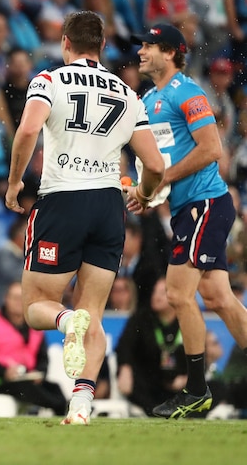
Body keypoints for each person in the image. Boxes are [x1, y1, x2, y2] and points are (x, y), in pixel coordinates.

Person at [4, 10, 165, 425]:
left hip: (63, 201)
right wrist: (144, 196)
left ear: (65, 42)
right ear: (103, 47)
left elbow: (26, 131)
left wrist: (14, 184)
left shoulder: (49, 79)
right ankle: (81, 405)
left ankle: (65, 320)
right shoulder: (129, 94)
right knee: (92, 310)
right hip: (109, 206)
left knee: (38, 305)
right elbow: (156, 165)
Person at [129, 23, 247, 418]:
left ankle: (196, 389)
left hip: (205, 204)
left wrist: (164, 179)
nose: (141, 51)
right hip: (188, 207)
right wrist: (148, 193)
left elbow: (212, 149)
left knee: (178, 293)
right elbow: (157, 163)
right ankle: (197, 389)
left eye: (149, 45)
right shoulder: (148, 100)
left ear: (170, 51)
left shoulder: (190, 94)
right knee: (218, 298)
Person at [0, 281, 67, 414]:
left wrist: (40, 372)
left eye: (22, 299)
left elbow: (43, 358)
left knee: (54, 387)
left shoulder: (35, 326)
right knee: (27, 388)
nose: (19, 302)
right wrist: (4, 371)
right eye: (15, 298)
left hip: (26, 378)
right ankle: (61, 408)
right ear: (6, 299)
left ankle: (64, 409)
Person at [116, 278, 187, 416]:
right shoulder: (141, 318)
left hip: (178, 383)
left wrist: (188, 378)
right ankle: (156, 412)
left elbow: (199, 353)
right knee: (137, 380)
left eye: (162, 293)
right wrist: (125, 367)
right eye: (155, 292)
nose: (156, 296)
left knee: (215, 387)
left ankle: (181, 411)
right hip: (149, 381)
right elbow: (124, 345)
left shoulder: (187, 320)